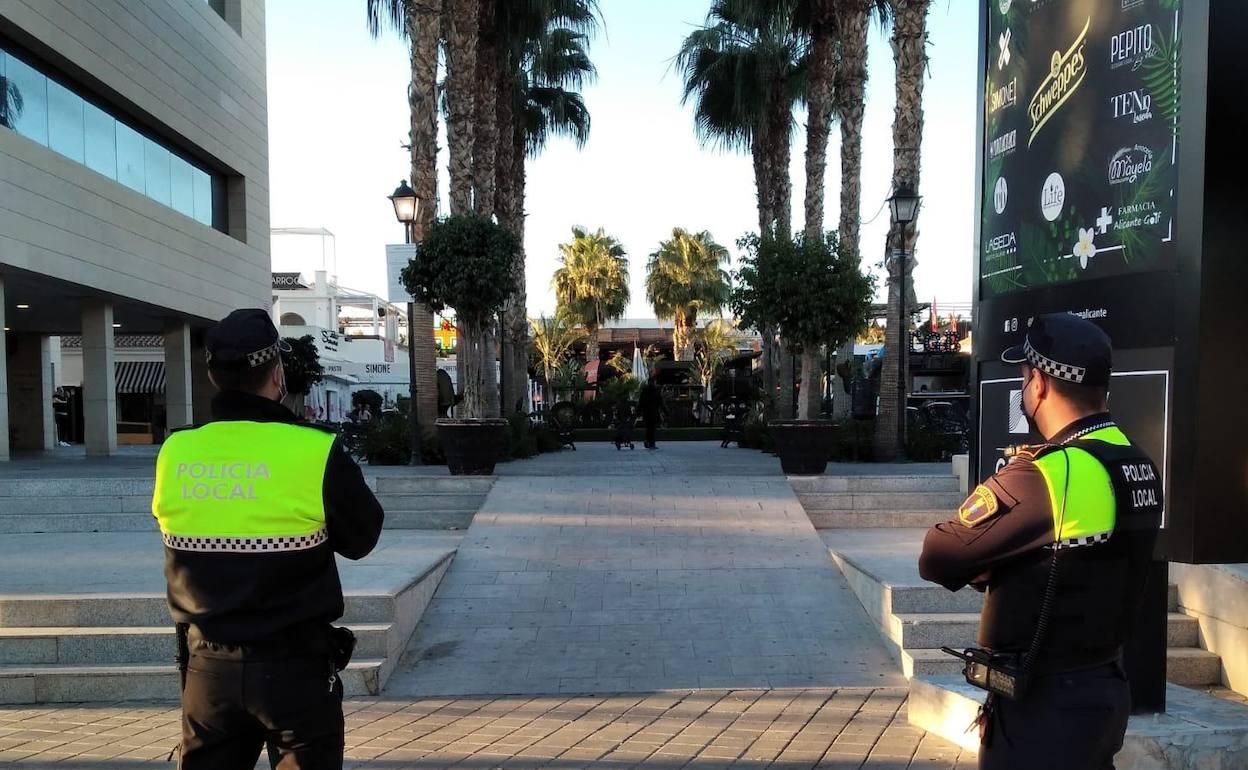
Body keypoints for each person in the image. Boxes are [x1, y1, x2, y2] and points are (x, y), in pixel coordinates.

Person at [918, 313, 1163, 770]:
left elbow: (938, 555)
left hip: (1042, 710)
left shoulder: (1048, 473)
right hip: (1102, 690)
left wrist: (995, 565)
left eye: (1023, 377)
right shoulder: (1137, 463)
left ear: (1040, 384)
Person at [151, 309, 385, 769]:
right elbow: (363, 537)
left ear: (215, 377)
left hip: (206, 672)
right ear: (277, 374)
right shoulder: (312, 449)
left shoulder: (175, 451)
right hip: (294, 673)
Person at [637, 373, 666, 449]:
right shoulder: (656, 391)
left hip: (646, 413)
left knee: (648, 428)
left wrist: (638, 412)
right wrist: (666, 412)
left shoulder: (644, 391)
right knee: (652, 428)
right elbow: (661, 403)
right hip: (653, 413)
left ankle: (647, 440)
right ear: (654, 382)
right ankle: (651, 443)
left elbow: (641, 402)